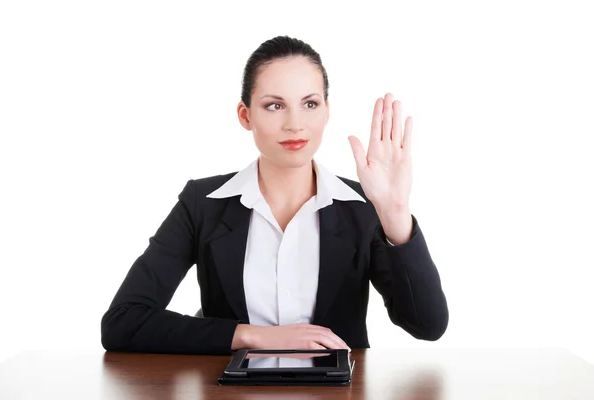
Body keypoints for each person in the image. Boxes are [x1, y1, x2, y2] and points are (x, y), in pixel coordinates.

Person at [100, 35, 448, 356]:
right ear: (245, 115)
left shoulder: (364, 207)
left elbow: (427, 326)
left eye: (309, 104)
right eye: (274, 106)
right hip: (230, 393)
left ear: (327, 111)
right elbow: (123, 322)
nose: (295, 123)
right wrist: (252, 335)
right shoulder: (202, 203)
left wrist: (395, 212)